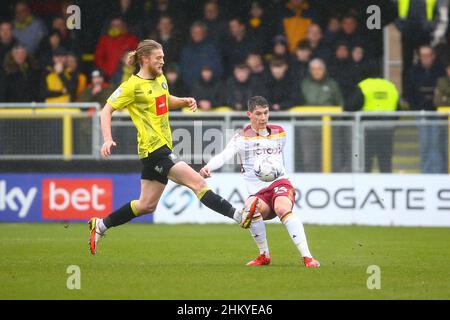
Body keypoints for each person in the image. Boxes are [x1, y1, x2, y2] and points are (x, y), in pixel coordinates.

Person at [88, 40, 257, 255]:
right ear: (145, 59)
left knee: (146, 205)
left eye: (163, 57)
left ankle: (100, 225)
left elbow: (163, 101)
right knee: (198, 182)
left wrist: (183, 101)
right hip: (155, 149)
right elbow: (106, 110)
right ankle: (239, 216)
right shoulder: (131, 86)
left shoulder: (160, 79)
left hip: (159, 149)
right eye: (158, 57)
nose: (162, 61)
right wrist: (107, 138)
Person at [199, 96, 320, 268]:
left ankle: (308, 258)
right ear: (249, 114)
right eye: (258, 114)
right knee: (250, 209)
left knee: (282, 208)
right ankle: (264, 255)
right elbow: (225, 155)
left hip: (280, 183)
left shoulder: (279, 132)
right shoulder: (241, 137)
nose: (263, 118)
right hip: (258, 192)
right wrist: (208, 167)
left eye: (266, 113)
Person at [407, 45, 446, 173]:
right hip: (421, 111)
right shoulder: (414, 71)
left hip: (436, 112)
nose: (425, 58)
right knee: (425, 144)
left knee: (436, 144)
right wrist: (415, 108)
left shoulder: (440, 70)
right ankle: (426, 173)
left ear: (433, 56)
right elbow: (410, 92)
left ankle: (438, 173)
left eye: (428, 55)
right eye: (422, 56)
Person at [348, 74, 399, 173]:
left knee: (366, 161)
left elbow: (351, 106)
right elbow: (398, 109)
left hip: (367, 130)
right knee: (385, 162)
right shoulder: (390, 86)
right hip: (386, 130)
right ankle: (386, 185)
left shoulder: (364, 86)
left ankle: (366, 185)